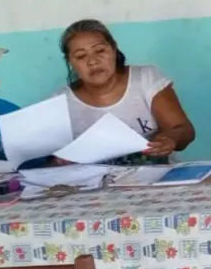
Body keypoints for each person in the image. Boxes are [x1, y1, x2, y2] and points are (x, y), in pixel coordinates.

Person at [51, 19, 195, 164]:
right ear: (70, 62)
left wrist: (170, 139)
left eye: (100, 50)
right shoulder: (61, 102)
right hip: (96, 183)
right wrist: (61, 160)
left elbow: (183, 130)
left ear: (114, 49)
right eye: (81, 56)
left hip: (157, 177)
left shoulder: (146, 79)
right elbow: (52, 159)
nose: (93, 61)